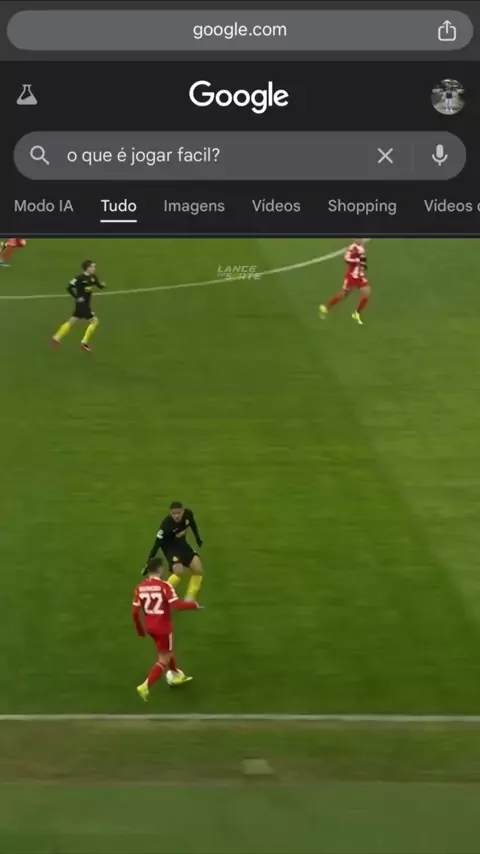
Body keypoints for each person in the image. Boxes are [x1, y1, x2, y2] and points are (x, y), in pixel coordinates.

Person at [132, 557, 202, 702]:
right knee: (164, 657)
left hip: (150, 627)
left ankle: (175, 673)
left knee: (166, 650)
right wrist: (193, 605)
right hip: (163, 627)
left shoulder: (140, 587)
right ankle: (145, 686)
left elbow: (134, 613)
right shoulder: (164, 586)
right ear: (159, 569)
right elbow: (176, 605)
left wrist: (139, 629)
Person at [145, 502, 204, 602]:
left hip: (183, 545)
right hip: (170, 548)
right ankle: (162, 594)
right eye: (173, 513)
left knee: (198, 570)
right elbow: (156, 544)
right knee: (178, 571)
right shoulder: (166, 525)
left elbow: (192, 524)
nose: (176, 516)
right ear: (170, 513)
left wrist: (197, 538)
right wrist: (148, 563)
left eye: (178, 513)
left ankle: (189, 598)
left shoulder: (188, 514)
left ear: (183, 511)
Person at [51, 260, 105, 352]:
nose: (94, 268)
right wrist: (77, 297)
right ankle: (84, 342)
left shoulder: (93, 277)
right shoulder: (79, 278)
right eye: (92, 267)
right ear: (87, 268)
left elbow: (98, 285)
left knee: (72, 320)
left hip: (86, 304)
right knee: (94, 321)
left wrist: (102, 285)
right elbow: (69, 287)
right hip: (82, 304)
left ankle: (56, 337)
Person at [319, 239, 370, 325]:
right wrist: (357, 260)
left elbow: (362, 259)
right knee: (344, 293)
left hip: (359, 275)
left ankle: (356, 313)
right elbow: (346, 259)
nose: (361, 239)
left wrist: (363, 264)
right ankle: (325, 307)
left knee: (366, 293)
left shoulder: (361, 247)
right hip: (352, 275)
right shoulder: (352, 248)